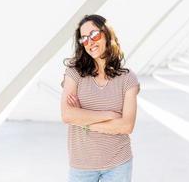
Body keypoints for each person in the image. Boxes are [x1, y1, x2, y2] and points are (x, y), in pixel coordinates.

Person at [60, 14, 140, 182]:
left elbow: (126, 126)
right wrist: (109, 115)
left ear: (107, 34)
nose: (90, 42)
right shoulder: (74, 73)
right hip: (81, 166)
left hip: (118, 164)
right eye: (84, 39)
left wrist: (83, 119)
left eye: (94, 35)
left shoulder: (128, 78)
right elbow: (67, 115)